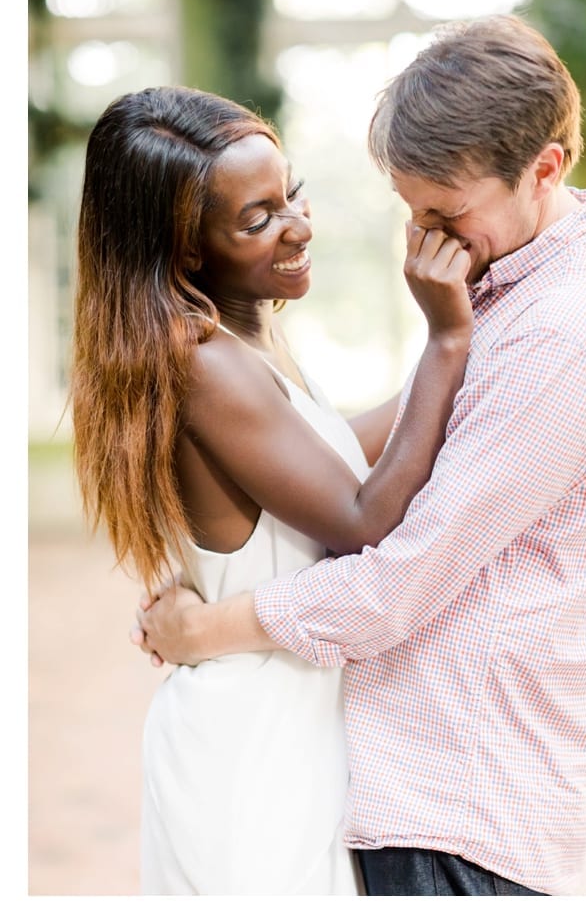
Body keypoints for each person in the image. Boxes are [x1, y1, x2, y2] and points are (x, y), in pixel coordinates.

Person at [133, 15, 586, 897]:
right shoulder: (510, 282)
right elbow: (404, 433)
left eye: (445, 211)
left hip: (464, 800)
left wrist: (205, 627)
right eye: (411, 209)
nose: (424, 238)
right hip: (429, 784)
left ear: (545, 169)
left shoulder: (563, 336)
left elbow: (395, 582)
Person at [71, 86, 475, 894]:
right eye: (256, 220)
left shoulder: (243, 334)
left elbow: (330, 455)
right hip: (250, 753)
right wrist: (448, 339)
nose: (299, 226)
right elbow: (363, 519)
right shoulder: (203, 363)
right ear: (185, 250)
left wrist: (482, 346)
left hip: (286, 726)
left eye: (290, 193)